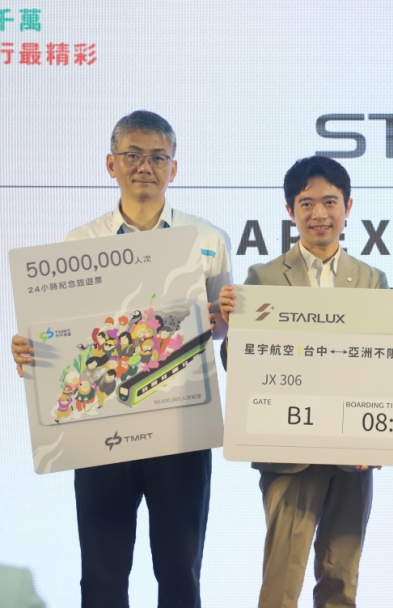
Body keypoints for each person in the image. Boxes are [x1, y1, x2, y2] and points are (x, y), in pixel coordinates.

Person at [10, 110, 232, 608]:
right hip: (100, 430)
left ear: (174, 168)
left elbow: (221, 328)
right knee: (102, 575)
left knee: (180, 572)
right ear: (111, 164)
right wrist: (31, 350)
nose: (144, 167)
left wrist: (225, 320)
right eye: (132, 155)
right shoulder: (77, 245)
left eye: (158, 157)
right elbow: (59, 335)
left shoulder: (208, 239)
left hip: (180, 426)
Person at [218, 156, 387, 608]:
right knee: (282, 579)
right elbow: (240, 367)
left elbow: (384, 368)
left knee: (341, 581)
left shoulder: (371, 280)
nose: (319, 214)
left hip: (352, 455)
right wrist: (234, 328)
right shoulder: (263, 278)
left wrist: (379, 437)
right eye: (306, 203)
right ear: (290, 211)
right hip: (288, 453)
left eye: (330, 202)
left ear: (348, 207)